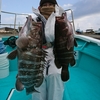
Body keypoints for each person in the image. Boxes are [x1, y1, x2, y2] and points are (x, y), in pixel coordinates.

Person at [32, 0, 75, 100]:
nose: (48, 7)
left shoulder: (60, 19)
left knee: (55, 75)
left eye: (50, 4)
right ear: (39, 8)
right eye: (44, 5)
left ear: (56, 6)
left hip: (57, 54)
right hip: (38, 53)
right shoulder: (34, 21)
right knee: (37, 78)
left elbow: (70, 38)